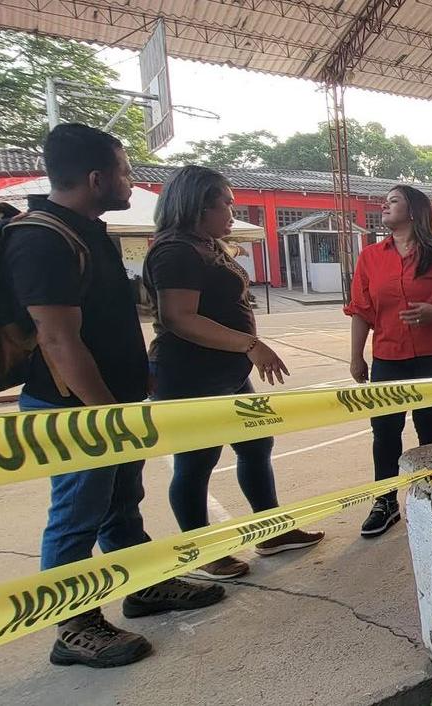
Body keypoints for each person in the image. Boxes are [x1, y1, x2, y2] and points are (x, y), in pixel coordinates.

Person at [2, 124, 224, 670]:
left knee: (120, 503)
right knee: (76, 514)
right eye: (125, 171)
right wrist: (107, 412)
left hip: (112, 398)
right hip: (76, 408)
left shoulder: (86, 231)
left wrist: (134, 379)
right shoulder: (42, 238)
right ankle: (72, 625)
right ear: (97, 178)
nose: (131, 181)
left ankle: (143, 585)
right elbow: (57, 339)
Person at [143, 165, 324, 579]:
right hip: (190, 375)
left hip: (227, 371)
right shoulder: (175, 251)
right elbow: (179, 318)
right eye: (225, 202)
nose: (232, 210)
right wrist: (250, 343)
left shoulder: (206, 245)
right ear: (197, 205)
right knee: (196, 462)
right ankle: (203, 549)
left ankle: (270, 528)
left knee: (256, 445)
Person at [345, 185, 432, 537]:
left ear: (415, 212)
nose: (384, 206)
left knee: (429, 424)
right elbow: (361, 309)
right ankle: (385, 501)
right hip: (388, 356)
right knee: (385, 429)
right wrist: (356, 356)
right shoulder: (371, 257)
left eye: (393, 201)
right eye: (385, 201)